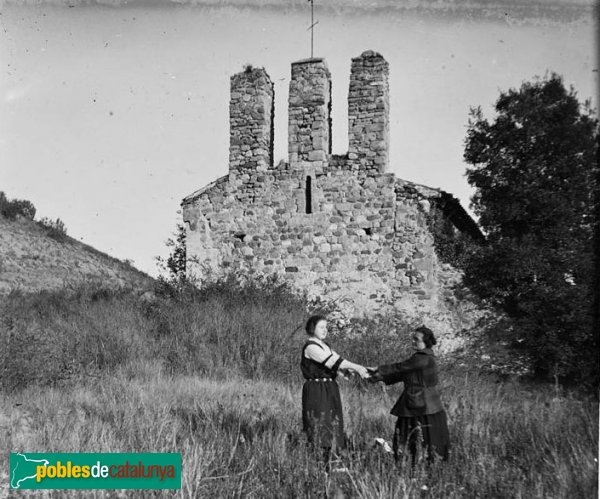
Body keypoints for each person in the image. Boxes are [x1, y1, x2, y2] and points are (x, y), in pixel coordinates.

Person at [368, 325, 450, 464]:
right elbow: (403, 375)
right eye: (413, 338)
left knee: (420, 437)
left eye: (416, 339)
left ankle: (419, 465)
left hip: (422, 404)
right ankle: (415, 463)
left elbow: (400, 367)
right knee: (418, 436)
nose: (413, 341)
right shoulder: (421, 357)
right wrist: (377, 378)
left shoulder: (422, 358)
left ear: (426, 342)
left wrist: (378, 369)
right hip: (420, 402)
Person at [301, 315, 369, 464]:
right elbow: (332, 362)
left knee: (333, 420)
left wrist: (355, 371)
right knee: (320, 420)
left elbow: (339, 361)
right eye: (321, 327)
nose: (325, 330)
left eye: (326, 327)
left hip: (329, 388)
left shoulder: (326, 346)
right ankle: (320, 460)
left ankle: (333, 457)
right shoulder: (311, 347)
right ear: (312, 328)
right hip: (317, 389)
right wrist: (357, 367)